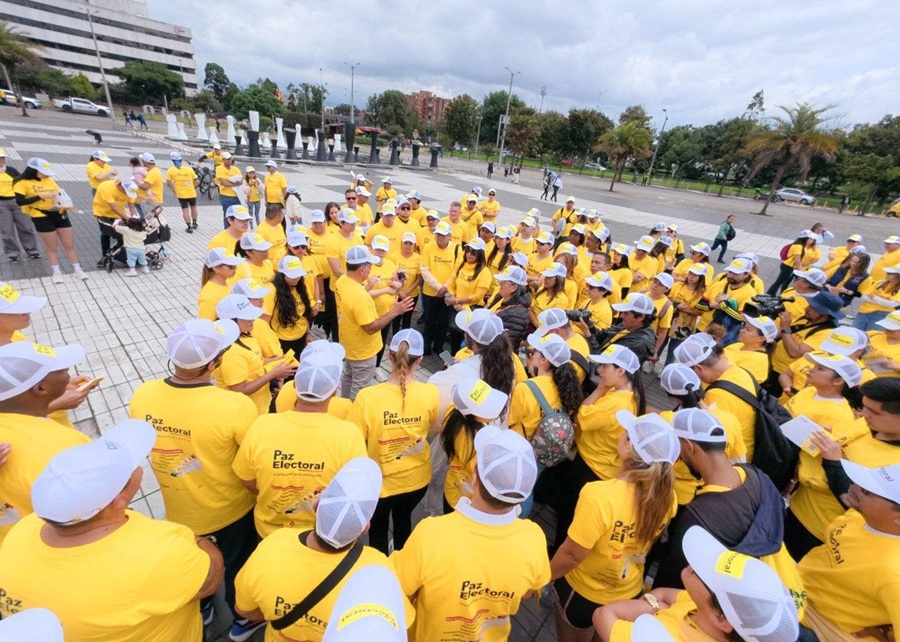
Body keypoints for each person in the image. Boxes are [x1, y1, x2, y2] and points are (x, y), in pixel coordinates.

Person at [0, 419, 224, 641]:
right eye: (132, 464)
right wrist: (204, 542)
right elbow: (210, 581)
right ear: (117, 499)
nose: (138, 467)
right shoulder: (159, 552)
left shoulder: (23, 530)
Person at [129, 318, 265, 640]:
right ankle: (243, 619)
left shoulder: (143, 395)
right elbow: (250, 467)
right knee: (237, 567)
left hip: (179, 507)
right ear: (214, 363)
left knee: (195, 562)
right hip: (231, 509)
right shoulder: (235, 406)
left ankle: (203, 607)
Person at [392, 422, 550, 641]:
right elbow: (529, 591)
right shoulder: (534, 539)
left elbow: (401, 591)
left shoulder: (431, 534)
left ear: (474, 479)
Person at [234, 457, 414, 642]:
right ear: (365, 528)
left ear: (316, 506)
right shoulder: (379, 570)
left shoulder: (272, 547)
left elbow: (245, 610)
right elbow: (400, 628)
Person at [652, 409, 806, 618]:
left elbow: (673, 580)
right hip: (779, 592)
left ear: (689, 446)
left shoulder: (698, 519)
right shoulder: (756, 475)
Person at [550, 411, 679, 642]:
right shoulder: (667, 496)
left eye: (627, 435)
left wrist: (544, 576)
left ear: (629, 448)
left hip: (583, 592)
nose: (621, 435)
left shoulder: (598, 495)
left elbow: (572, 555)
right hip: (627, 593)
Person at [232, 349, 367, 537]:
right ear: (334, 392)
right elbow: (354, 492)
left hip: (270, 531)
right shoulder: (349, 435)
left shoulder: (262, 426)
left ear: (294, 385)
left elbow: (246, 479)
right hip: (321, 534)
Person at [594, 526, 799, 642]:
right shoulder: (707, 611)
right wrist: (657, 606)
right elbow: (663, 594)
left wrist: (653, 608)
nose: (694, 564)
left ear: (722, 619)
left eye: (707, 575)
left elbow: (603, 614)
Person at [349, 329, 438, 554]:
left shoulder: (367, 398)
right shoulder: (431, 393)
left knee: (378, 529)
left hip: (379, 484)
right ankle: (403, 567)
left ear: (389, 356)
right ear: (420, 359)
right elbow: (432, 428)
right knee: (403, 521)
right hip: (417, 481)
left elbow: (355, 443)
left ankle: (381, 569)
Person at [553, 345, 644, 551]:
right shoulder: (632, 395)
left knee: (569, 518)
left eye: (604, 366)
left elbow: (579, 417)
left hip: (590, 467)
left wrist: (600, 390)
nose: (599, 371)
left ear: (621, 371)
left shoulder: (614, 403)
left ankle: (560, 559)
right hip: (603, 466)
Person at [0, 341, 91, 547]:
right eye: (59, 368)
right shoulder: (67, 447)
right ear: (41, 388)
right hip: (52, 548)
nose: (67, 369)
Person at [798, 461, 900, 640]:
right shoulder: (859, 516)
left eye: (868, 491)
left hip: (817, 626)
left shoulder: (894, 575)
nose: (856, 487)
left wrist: (885, 636)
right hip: (794, 584)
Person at [782, 352, 865, 560]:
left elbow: (822, 462)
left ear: (837, 381)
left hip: (816, 513)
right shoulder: (808, 391)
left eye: (820, 369)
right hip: (798, 503)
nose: (811, 370)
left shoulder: (838, 416)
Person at [510, 332, 583, 516]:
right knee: (529, 488)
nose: (530, 352)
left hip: (522, 448)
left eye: (535, 351)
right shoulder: (567, 386)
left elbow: (510, 420)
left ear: (543, 360)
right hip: (545, 451)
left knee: (516, 489)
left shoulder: (526, 388)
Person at [334, 246, 414, 399]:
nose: (371, 268)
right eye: (370, 265)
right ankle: (352, 416)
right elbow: (370, 328)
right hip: (363, 352)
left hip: (348, 344)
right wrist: (395, 311)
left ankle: (343, 406)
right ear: (362, 270)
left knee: (348, 377)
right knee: (359, 390)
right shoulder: (359, 297)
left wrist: (368, 287)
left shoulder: (343, 280)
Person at [217, 294, 296, 415]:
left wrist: (271, 362)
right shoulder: (231, 351)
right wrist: (272, 374)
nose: (253, 319)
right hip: (248, 412)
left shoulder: (245, 334)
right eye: (247, 317)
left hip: (262, 404)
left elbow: (250, 365)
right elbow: (239, 390)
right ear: (231, 321)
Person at [14, 158, 87, 282]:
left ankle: (77, 269)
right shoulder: (22, 182)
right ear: (34, 170)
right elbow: (20, 201)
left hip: (59, 212)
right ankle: (57, 272)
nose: (46, 174)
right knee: (51, 247)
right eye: (43, 171)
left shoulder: (49, 179)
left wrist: (62, 202)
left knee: (69, 244)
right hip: (41, 216)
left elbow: (59, 193)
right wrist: (39, 196)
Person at [419, 221, 459, 355]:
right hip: (430, 292)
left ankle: (438, 345)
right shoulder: (429, 247)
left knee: (443, 322)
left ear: (449, 236)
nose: (440, 238)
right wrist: (439, 287)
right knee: (429, 321)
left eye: (443, 235)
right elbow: (424, 270)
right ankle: (426, 346)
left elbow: (456, 271)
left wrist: (445, 288)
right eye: (438, 235)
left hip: (448, 294)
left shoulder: (457, 249)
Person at [262, 255, 314, 356]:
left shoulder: (300, 287)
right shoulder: (271, 291)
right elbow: (264, 323)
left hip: (301, 337)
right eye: (291, 275)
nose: (296, 278)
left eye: (298, 275)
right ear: (281, 275)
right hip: (282, 340)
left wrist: (308, 334)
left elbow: (304, 314)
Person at [592, 293, 658, 362]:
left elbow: (607, 363)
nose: (621, 316)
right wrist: (589, 326)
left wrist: (589, 336)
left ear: (640, 317)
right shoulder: (627, 325)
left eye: (626, 313)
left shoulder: (636, 345)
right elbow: (603, 337)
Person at [0, 148, 40, 262]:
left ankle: (32, 251)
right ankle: (13, 253)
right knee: (6, 231)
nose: (1, 161)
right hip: (1, 205)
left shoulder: (11, 170)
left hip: (17, 202)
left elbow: (23, 184)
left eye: (2, 158)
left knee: (26, 227)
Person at [91, 176, 138, 260]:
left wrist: (135, 219)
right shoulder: (106, 187)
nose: (128, 195)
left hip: (119, 214)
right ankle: (105, 256)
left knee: (121, 234)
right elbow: (114, 207)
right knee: (106, 233)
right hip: (103, 213)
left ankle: (121, 254)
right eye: (126, 193)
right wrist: (128, 219)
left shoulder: (131, 189)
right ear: (121, 187)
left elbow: (132, 207)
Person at [720, 313, 777, 382]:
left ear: (761, 338)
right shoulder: (738, 345)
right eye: (744, 327)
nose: (741, 331)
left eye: (748, 329)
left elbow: (735, 382)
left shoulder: (758, 361)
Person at [486, 266, 532, 346]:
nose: (499, 284)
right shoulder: (502, 296)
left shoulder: (516, 316)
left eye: (503, 282)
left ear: (514, 287)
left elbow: (504, 345)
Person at [389, 230, 422, 333]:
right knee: (395, 318)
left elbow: (419, 279)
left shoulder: (418, 258)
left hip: (412, 294)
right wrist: (399, 292)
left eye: (410, 243)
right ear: (401, 243)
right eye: (406, 243)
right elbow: (390, 277)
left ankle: (404, 342)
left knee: (407, 319)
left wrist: (406, 292)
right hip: (396, 294)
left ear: (414, 245)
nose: (408, 246)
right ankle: (395, 338)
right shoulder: (393, 257)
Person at [768, 230, 820, 295]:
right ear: (805, 238)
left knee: (780, 282)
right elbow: (797, 259)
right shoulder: (798, 246)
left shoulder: (799, 245)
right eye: (810, 238)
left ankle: (774, 294)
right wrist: (799, 269)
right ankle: (770, 294)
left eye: (812, 239)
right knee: (779, 282)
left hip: (789, 266)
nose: (811, 240)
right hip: (788, 266)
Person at [198, 247, 244, 321]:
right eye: (231, 266)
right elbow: (206, 325)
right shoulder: (209, 296)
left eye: (235, 265)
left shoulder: (228, 281)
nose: (235, 268)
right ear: (216, 268)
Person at [854, 263, 900, 331]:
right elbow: (863, 296)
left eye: (890, 273)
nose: (887, 274)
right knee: (855, 332)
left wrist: (873, 297)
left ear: (898, 276)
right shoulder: (879, 283)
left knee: (872, 337)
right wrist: (879, 300)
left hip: (880, 315)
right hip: (864, 311)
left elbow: (892, 304)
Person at [165, 152, 200, 232]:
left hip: (181, 194)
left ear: (173, 161)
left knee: (185, 210)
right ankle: (195, 223)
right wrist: (192, 187)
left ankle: (189, 226)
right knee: (193, 207)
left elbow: (168, 183)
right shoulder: (189, 169)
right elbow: (197, 181)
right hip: (191, 193)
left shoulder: (171, 170)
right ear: (181, 160)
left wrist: (174, 191)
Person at [215, 152, 243, 229]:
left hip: (236, 196)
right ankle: (227, 230)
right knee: (227, 214)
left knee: (237, 214)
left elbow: (240, 181)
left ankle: (236, 229)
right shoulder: (219, 168)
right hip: (226, 196)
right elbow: (224, 182)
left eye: (230, 159)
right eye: (227, 159)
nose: (229, 161)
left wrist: (229, 181)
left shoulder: (236, 169)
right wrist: (234, 183)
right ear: (223, 160)